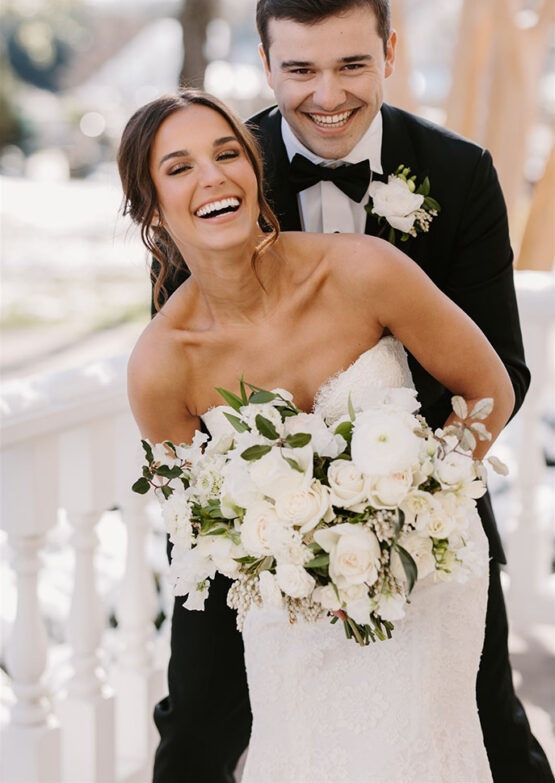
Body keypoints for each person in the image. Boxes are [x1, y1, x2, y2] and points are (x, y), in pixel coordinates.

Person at [142, 2, 553, 782]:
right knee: (196, 725)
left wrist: (400, 506)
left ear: (389, 51)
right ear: (265, 65)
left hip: (422, 517)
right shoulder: (215, 168)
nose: (326, 94)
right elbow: (185, 377)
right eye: (299, 69)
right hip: (253, 537)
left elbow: (501, 368)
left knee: (488, 725)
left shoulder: (456, 172)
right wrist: (266, 532)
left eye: (350, 65)